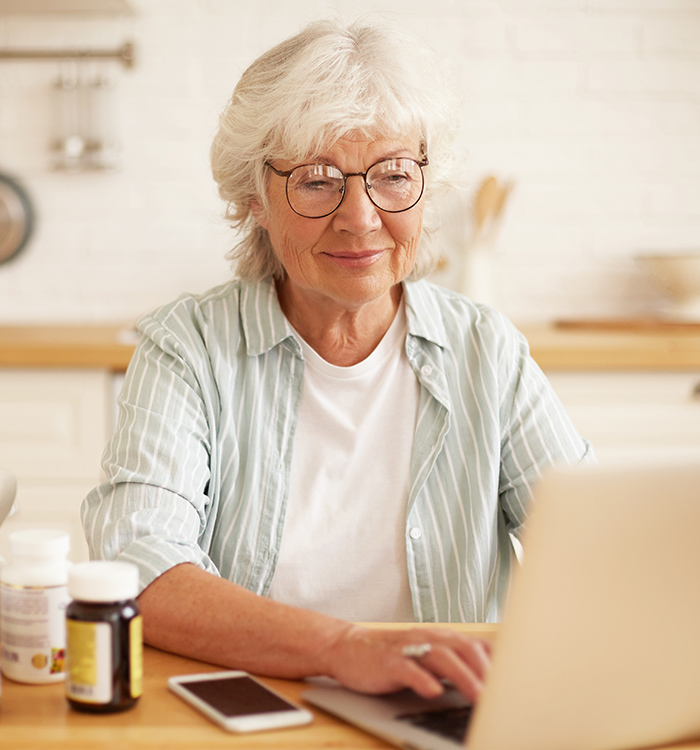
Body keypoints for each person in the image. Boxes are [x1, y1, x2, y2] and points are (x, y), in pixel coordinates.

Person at [82, 18, 591, 703]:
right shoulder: (188, 347)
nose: (360, 216)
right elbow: (140, 568)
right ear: (252, 199)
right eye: (319, 181)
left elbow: (598, 551)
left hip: (441, 712)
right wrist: (342, 648)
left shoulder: (486, 351)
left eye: (391, 176)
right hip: (253, 708)